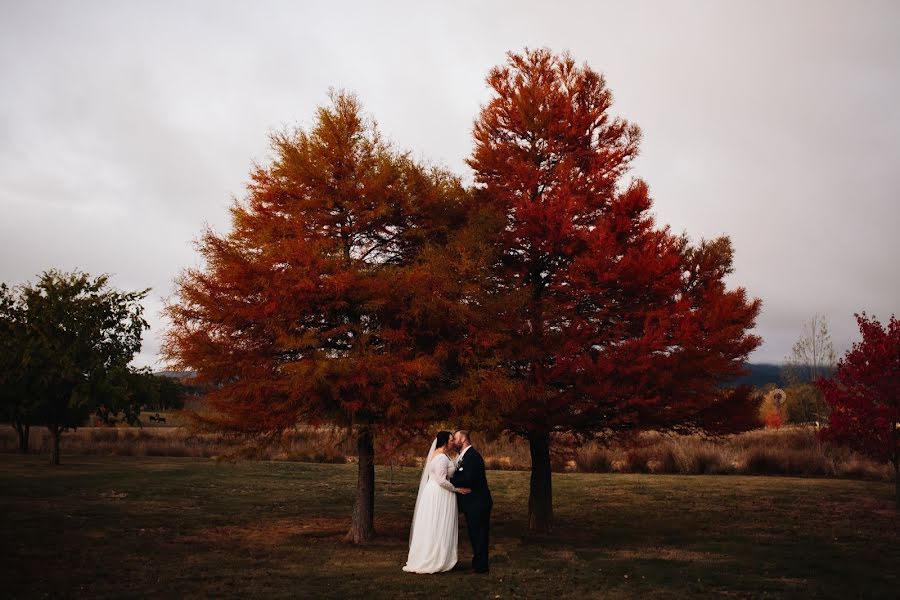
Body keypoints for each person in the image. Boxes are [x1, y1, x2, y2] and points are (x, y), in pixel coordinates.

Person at [402, 430, 471, 573]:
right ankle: (435, 558)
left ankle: (439, 556)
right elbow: (441, 480)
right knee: (438, 523)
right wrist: (457, 489)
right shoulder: (440, 457)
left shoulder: (443, 455)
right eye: (451, 440)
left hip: (436, 492)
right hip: (440, 494)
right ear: (445, 442)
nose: (453, 442)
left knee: (435, 524)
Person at [450, 429, 493, 574]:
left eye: (455, 439)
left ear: (463, 439)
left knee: (479, 534)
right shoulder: (463, 456)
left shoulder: (473, 456)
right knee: (474, 534)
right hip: (472, 503)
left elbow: (468, 479)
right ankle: (478, 564)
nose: (453, 442)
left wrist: (448, 480)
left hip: (478, 502)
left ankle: (481, 567)